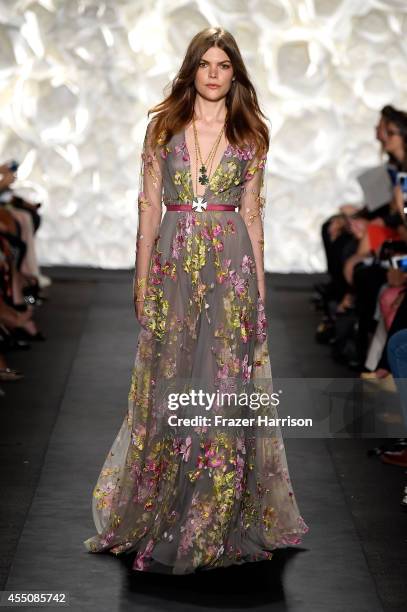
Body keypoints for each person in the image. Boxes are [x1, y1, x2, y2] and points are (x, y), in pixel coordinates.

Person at [84, 27, 308, 575]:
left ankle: (214, 516)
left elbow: (254, 215)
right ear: (192, 69)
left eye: (223, 65)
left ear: (235, 73)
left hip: (230, 262)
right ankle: (161, 510)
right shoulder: (163, 128)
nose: (213, 73)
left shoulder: (251, 133)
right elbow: (149, 206)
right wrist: (142, 280)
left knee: (224, 387)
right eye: (205, 63)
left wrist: (258, 293)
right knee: (171, 382)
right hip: (176, 261)